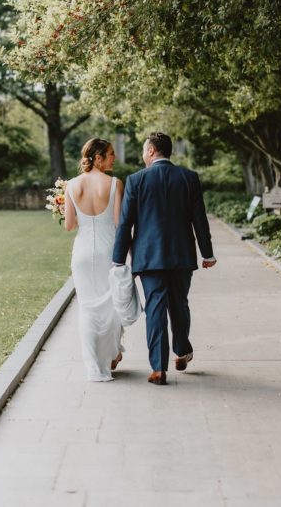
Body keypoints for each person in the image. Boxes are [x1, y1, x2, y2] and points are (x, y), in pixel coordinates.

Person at [112, 132, 216, 386]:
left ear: (151, 151)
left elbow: (126, 223)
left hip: (149, 257)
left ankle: (159, 368)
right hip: (182, 254)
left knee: (155, 308)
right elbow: (199, 219)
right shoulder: (188, 178)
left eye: (143, 150)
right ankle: (181, 350)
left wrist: (117, 259)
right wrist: (207, 253)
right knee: (179, 303)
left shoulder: (136, 180)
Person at [65, 138, 140, 382]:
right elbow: (120, 224)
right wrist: (131, 255)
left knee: (87, 308)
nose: (113, 158)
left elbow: (69, 225)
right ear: (97, 158)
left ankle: (94, 368)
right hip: (108, 251)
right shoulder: (115, 184)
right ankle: (110, 355)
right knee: (112, 306)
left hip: (83, 254)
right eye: (110, 154)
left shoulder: (72, 185)